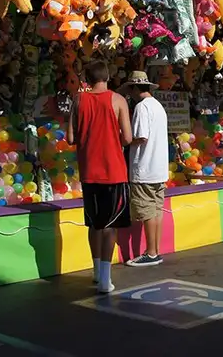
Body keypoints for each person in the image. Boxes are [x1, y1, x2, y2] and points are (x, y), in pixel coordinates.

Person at [67, 60, 132, 293]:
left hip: (89, 171)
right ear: (108, 76)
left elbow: (71, 137)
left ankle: (96, 272)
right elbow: (127, 138)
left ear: (87, 77)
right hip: (114, 170)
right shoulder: (118, 100)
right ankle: (105, 277)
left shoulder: (78, 100)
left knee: (94, 223)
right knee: (110, 225)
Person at [121, 71, 168, 267]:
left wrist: (123, 140)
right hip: (159, 168)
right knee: (156, 210)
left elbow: (140, 137)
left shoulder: (142, 107)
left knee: (147, 211)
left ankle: (150, 253)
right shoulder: (158, 106)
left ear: (134, 88)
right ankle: (155, 250)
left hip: (144, 168)